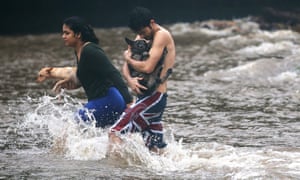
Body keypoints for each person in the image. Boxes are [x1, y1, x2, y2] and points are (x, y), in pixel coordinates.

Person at [109, 7, 176, 153]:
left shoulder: (162, 35)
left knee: (115, 132)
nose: (141, 36)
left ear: (151, 23)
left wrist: (127, 57)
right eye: (138, 33)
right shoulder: (141, 37)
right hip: (145, 98)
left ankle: (118, 173)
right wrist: (130, 80)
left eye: (143, 32)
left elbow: (147, 68)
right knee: (155, 150)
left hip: (154, 97)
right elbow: (125, 66)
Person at [54, 16, 133, 128]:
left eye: (67, 33)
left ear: (78, 34)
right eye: (63, 33)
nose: (63, 36)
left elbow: (113, 74)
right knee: (109, 138)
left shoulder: (90, 50)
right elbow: (92, 76)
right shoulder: (79, 51)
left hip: (109, 100)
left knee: (70, 126)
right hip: (102, 101)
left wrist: (129, 102)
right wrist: (75, 82)